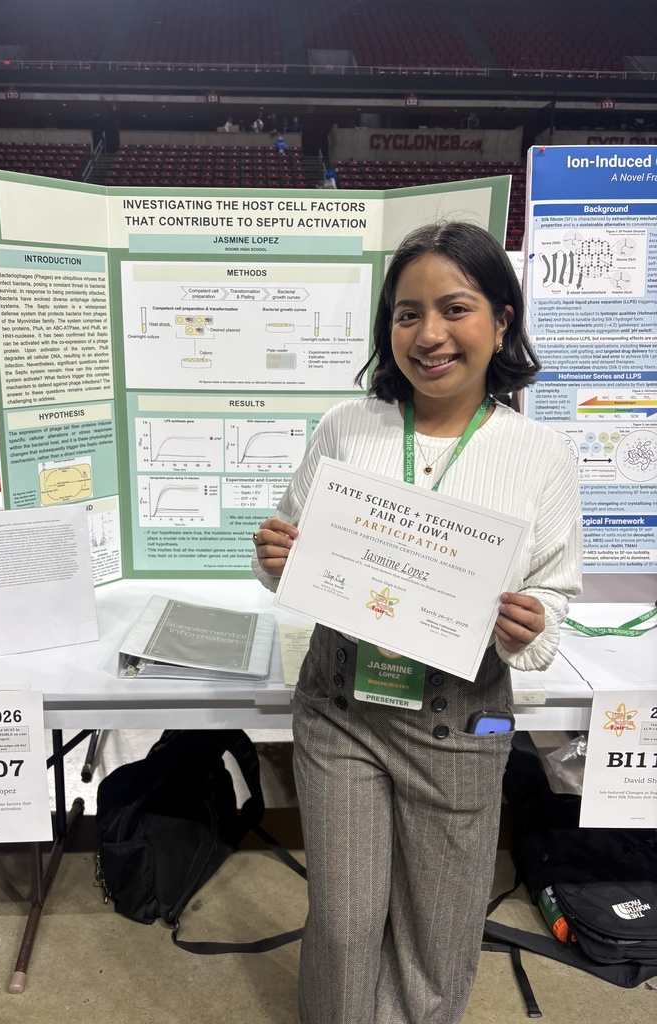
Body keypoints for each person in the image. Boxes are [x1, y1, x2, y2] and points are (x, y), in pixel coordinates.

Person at [252, 221, 582, 1024]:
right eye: (407, 314)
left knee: (440, 928)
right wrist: (273, 556)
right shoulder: (347, 427)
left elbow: (556, 599)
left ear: (502, 321)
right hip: (343, 709)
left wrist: (532, 625)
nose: (429, 335)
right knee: (345, 921)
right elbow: (294, 542)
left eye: (454, 308)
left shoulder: (539, 454)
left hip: (461, 720)